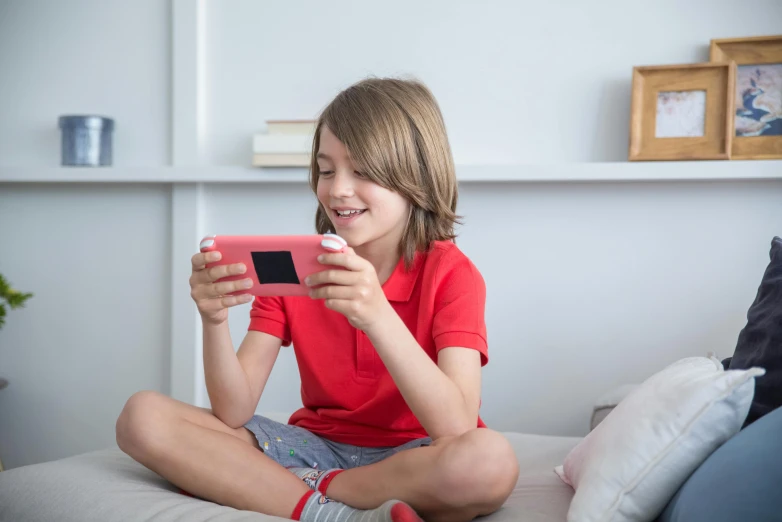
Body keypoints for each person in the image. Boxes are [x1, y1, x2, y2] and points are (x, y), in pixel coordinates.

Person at [116, 77, 519, 522]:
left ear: (416, 177)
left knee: (489, 462)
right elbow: (233, 410)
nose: (338, 190)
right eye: (326, 171)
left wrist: (377, 315)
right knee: (142, 417)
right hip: (314, 449)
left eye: (362, 171)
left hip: (413, 452)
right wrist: (214, 320)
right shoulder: (295, 267)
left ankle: (311, 492)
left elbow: (456, 426)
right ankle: (333, 512)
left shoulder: (453, 274)